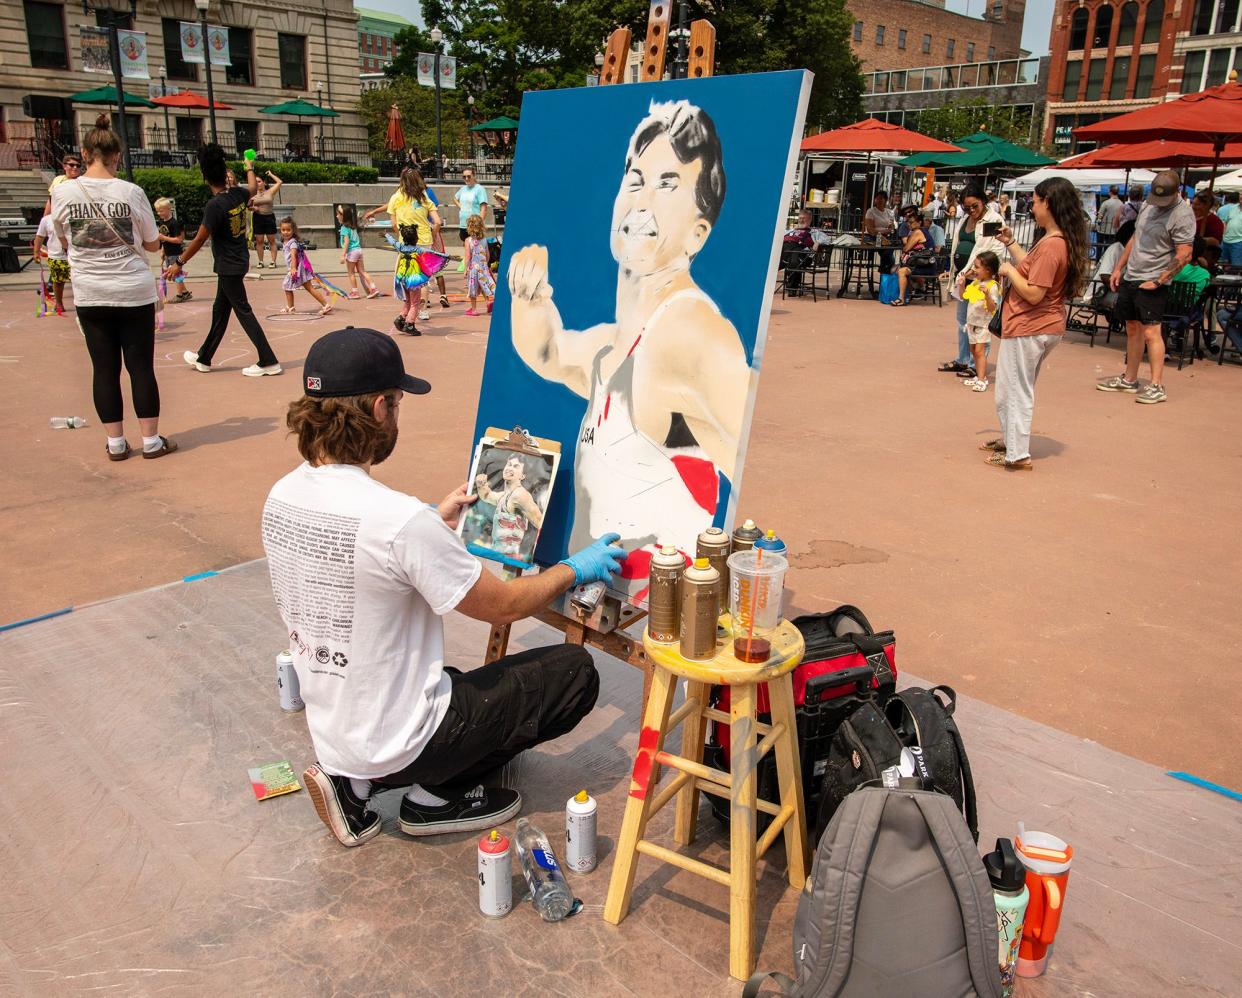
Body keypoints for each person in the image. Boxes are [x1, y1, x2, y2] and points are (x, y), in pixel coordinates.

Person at [261, 325, 626, 846]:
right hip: (404, 738)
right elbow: (503, 607)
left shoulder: (282, 496)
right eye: (397, 404)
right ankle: (435, 798)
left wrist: (435, 519)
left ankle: (354, 785)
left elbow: (361, 557)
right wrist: (575, 568)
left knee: (455, 676)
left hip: (337, 724)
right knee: (573, 673)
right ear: (380, 407)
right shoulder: (397, 521)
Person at [507, 99, 747, 585]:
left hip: (661, 616)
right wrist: (526, 299)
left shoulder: (690, 333)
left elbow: (753, 451)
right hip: (601, 593)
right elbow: (549, 353)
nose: (642, 200)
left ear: (698, 234)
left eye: (667, 184)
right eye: (636, 179)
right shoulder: (612, 345)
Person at [49, 114, 174, 461]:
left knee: (104, 369)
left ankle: (116, 443)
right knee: (141, 367)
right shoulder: (131, 192)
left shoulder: (63, 193)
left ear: (86, 153)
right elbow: (151, 243)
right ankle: (151, 441)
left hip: (91, 291)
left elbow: (61, 239)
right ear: (116, 155)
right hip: (132, 290)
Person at [983, 177, 1088, 469]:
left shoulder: (1053, 244)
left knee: (1016, 389)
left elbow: (1033, 291)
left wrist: (1007, 270)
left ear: (1048, 203)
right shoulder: (1055, 240)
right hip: (1035, 326)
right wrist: (1012, 244)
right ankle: (1011, 441)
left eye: (1036, 201)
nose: (1032, 207)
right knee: (1009, 387)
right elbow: (1033, 269)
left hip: (1031, 326)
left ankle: (1017, 453)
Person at [165, 144, 282, 378]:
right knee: (220, 310)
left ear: (205, 177)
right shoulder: (237, 194)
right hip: (236, 261)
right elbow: (251, 186)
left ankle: (268, 359)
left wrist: (178, 262)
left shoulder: (215, 205)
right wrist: (250, 166)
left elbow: (199, 240)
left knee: (242, 310)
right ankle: (204, 357)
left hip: (229, 265)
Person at [1099, 169, 1196, 405]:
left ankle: (1156, 385)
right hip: (1132, 274)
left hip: (1153, 279)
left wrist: (1160, 280)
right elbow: (1136, 237)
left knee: (1153, 331)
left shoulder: (1182, 214)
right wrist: (1119, 267)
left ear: (1177, 193)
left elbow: (1185, 253)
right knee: (1132, 327)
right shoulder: (1147, 205)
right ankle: (1130, 379)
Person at [366, 168, 446, 335]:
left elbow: (394, 225)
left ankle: (407, 313)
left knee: (406, 274)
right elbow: (437, 222)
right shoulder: (424, 197)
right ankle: (415, 314)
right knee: (421, 277)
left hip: (406, 241)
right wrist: (431, 233)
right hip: (424, 241)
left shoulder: (396, 197)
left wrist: (402, 234)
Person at [941, 185, 1006, 378]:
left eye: (974, 206)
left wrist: (976, 271)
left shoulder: (993, 220)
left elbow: (994, 251)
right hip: (964, 278)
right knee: (963, 320)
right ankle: (963, 359)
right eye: (966, 207)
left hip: (981, 280)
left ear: (983, 201)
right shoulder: (965, 219)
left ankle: (975, 364)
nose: (971, 210)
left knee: (981, 322)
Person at [474, 453, 545, 559]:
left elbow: (540, 522)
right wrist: (481, 484)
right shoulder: (504, 495)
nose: (510, 468)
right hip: (497, 553)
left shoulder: (520, 495)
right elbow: (487, 496)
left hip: (509, 557)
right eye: (509, 464)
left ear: (522, 476)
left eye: (516, 466)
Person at [961, 251, 1001, 393]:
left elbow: (992, 308)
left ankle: (983, 378)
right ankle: (978, 376)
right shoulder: (976, 283)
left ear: (988, 270)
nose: (974, 270)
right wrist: (961, 284)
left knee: (979, 351)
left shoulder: (992, 286)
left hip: (983, 324)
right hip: (971, 322)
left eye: (977, 267)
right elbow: (963, 296)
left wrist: (987, 296)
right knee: (973, 351)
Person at [279, 217, 334, 316]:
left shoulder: (292, 243)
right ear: (280, 230)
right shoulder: (286, 242)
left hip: (297, 269)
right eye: (283, 230)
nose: (285, 232)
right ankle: (291, 306)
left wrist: (293, 268)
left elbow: (293, 255)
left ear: (293, 230)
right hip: (299, 268)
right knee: (304, 287)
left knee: (289, 286)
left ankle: (325, 305)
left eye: (288, 230)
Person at [153, 198, 192, 304]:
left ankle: (180, 295)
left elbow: (179, 240)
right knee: (176, 274)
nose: (159, 213)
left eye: (161, 210)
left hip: (175, 253)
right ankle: (185, 292)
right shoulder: (161, 222)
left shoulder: (174, 223)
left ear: (169, 209)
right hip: (168, 253)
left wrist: (163, 238)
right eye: (157, 211)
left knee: (176, 274)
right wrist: (163, 251)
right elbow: (164, 238)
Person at [336, 204, 380, 299]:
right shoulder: (353, 226)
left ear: (343, 216)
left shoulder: (344, 228)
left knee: (351, 272)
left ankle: (355, 291)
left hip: (352, 252)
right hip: (359, 250)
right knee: (362, 271)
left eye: (338, 214)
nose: (337, 216)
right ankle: (373, 287)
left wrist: (343, 255)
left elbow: (346, 242)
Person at [32, 211, 69, 315]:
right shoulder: (46, 220)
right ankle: (59, 303)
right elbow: (39, 236)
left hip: (75, 255)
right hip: (56, 255)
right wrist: (36, 252)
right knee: (58, 281)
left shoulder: (72, 216)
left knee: (79, 280)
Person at [248, 170, 284, 269]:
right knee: (259, 241)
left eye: (259, 181)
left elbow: (279, 182)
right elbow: (247, 206)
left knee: (271, 240)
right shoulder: (252, 194)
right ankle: (260, 261)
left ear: (264, 182)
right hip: (258, 217)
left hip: (269, 217)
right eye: (255, 182)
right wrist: (253, 208)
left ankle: (273, 261)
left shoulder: (270, 191)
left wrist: (271, 174)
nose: (257, 184)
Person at [892, 212, 929, 305]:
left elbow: (906, 248)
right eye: (908, 222)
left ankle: (901, 298)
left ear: (919, 222)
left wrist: (906, 249)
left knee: (901, 271)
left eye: (911, 222)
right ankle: (908, 294)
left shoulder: (917, 232)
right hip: (920, 262)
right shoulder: (919, 231)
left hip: (923, 265)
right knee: (895, 269)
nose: (909, 225)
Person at [463, 213, 495, 316]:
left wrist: (466, 269)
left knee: (473, 288)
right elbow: (487, 255)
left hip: (473, 268)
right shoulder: (485, 240)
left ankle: (474, 309)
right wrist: (485, 265)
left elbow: (467, 256)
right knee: (483, 284)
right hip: (483, 267)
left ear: (469, 226)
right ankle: (488, 301)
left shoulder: (468, 240)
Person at [454, 168, 489, 244]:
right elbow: (455, 198)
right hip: (463, 224)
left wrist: (479, 225)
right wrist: (461, 207)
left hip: (474, 226)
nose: (466, 179)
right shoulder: (463, 189)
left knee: (476, 250)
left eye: (469, 176)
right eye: (464, 177)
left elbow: (484, 209)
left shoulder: (479, 189)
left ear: (474, 176)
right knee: (467, 249)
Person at [1222, 193, 1242, 266]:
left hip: (1239, 242)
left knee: (1236, 268)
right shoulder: (1232, 208)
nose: (1241, 196)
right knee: (1222, 265)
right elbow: (1226, 222)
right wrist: (1224, 235)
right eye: (1241, 194)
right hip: (1225, 241)